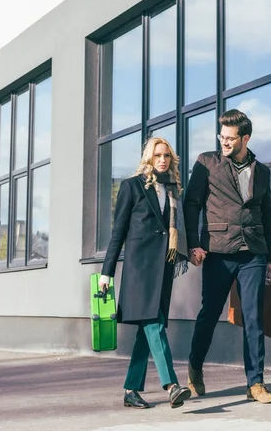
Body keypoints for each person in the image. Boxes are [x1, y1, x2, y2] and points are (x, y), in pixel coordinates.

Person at [184, 109, 271, 404]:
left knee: (254, 318)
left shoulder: (262, 171)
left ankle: (256, 383)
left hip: (253, 252)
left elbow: (266, 215)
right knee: (209, 315)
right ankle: (195, 368)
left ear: (245, 138)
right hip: (218, 250)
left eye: (230, 138)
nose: (224, 142)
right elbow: (191, 204)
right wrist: (193, 245)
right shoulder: (206, 163)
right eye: (221, 136)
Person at [99, 137, 191, 410]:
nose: (162, 159)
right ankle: (171, 385)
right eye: (157, 155)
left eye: (166, 155)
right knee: (154, 323)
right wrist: (107, 273)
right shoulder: (131, 186)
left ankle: (130, 390)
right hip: (140, 269)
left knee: (146, 330)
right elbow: (118, 233)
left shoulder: (173, 190)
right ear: (149, 158)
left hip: (163, 267)